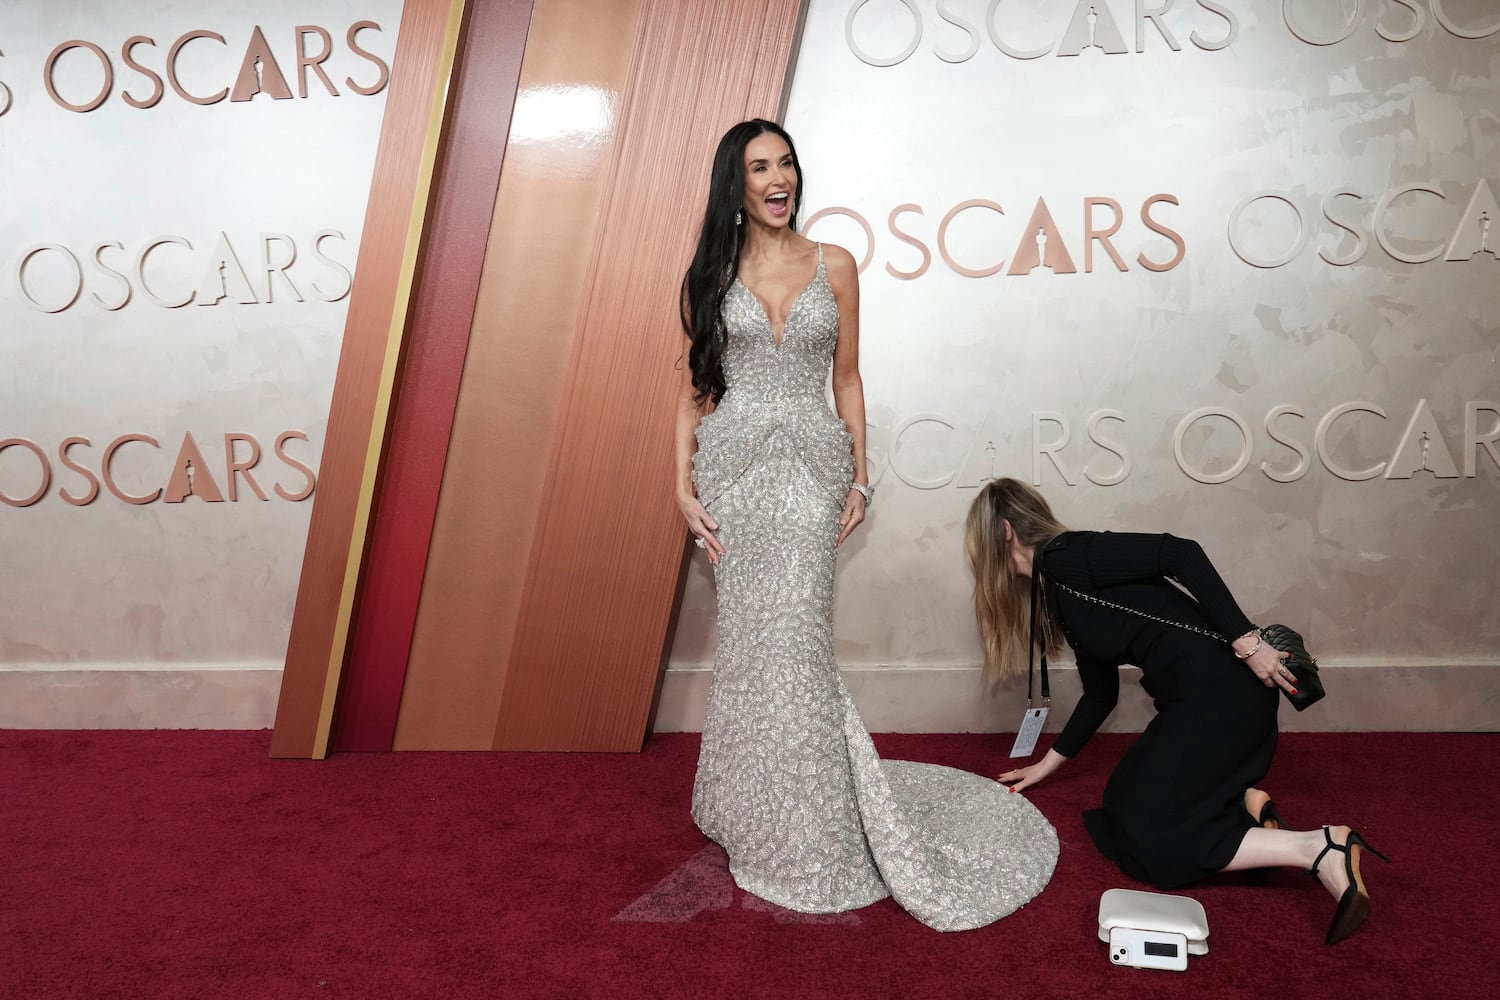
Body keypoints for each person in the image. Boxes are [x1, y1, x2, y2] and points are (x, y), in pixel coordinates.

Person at [673, 120, 1056, 931]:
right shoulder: (710, 274)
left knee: (798, 645)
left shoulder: (835, 264)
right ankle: (748, 807)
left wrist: (858, 476)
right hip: (733, 473)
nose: (779, 179)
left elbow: (847, 379)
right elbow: (694, 391)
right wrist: (681, 488)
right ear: (733, 185)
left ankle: (810, 829)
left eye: (786, 164)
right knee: (750, 648)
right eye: (760, 168)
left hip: (811, 469)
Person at [965, 478, 1389, 945]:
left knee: (1151, 838)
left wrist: (1247, 642)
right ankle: (1246, 807)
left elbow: (1180, 553)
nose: (975, 560)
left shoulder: (1069, 555)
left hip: (1223, 698)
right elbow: (1100, 694)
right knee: (1121, 806)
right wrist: (1048, 763)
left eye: (977, 545)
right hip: (1194, 703)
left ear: (1004, 531)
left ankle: (1318, 847)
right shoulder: (1060, 593)